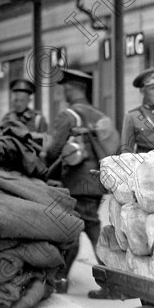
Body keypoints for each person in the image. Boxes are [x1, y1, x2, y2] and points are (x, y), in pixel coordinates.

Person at [45, 69, 110, 294]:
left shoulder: (68, 116)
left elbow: (53, 150)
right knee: (87, 228)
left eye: (64, 88)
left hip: (75, 184)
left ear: (71, 89)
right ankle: (64, 279)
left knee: (75, 230)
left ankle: (66, 280)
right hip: (96, 182)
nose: (63, 92)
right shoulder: (98, 115)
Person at [121, 67, 154, 154]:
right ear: (142, 91)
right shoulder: (132, 116)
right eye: (152, 89)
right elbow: (126, 150)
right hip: (145, 163)